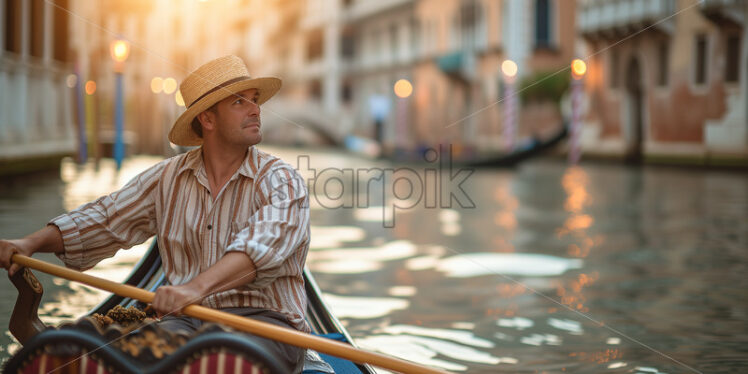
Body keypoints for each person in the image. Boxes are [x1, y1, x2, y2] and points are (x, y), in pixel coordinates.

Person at [0, 55, 310, 373]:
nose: (256, 109)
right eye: (239, 102)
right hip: (187, 323)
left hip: (267, 326)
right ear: (208, 118)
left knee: (219, 364)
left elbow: (262, 248)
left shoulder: (282, 179)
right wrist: (29, 244)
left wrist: (193, 288)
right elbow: (105, 218)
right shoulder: (167, 178)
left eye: (255, 101)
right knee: (111, 356)